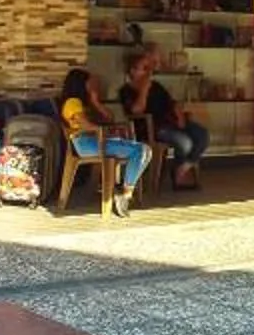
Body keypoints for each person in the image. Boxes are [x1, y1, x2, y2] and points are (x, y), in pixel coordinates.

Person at [56, 66, 149, 213]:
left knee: (143, 150)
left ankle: (124, 191)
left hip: (97, 141)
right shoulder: (72, 103)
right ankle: (125, 193)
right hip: (86, 144)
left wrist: (95, 101)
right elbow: (85, 125)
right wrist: (105, 131)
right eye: (90, 83)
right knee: (141, 150)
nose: (94, 86)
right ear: (81, 84)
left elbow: (109, 118)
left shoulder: (85, 103)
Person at [123, 47, 207, 190]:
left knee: (201, 134)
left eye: (149, 68)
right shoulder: (126, 91)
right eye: (144, 68)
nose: (149, 72)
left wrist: (180, 117)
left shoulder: (156, 86)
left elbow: (172, 103)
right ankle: (179, 178)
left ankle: (182, 168)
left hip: (171, 123)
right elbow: (136, 110)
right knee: (185, 142)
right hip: (152, 129)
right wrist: (144, 89)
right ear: (132, 71)